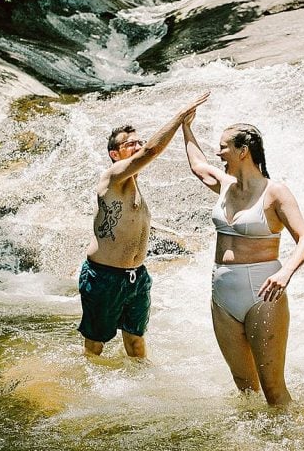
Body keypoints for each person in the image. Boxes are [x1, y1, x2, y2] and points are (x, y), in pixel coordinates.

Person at [181, 117, 304, 407]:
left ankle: (291, 435)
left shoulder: (275, 192)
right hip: (222, 294)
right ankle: (253, 435)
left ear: (243, 151)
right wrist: (185, 125)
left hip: (263, 292)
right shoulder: (225, 185)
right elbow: (198, 166)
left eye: (223, 147)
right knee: (244, 388)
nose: (218, 153)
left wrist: (286, 273)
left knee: (273, 389)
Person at [77, 92, 210, 358]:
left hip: (136, 277)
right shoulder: (112, 176)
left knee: (136, 341)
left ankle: (140, 380)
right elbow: (151, 151)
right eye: (131, 144)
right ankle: (87, 381)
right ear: (115, 154)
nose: (138, 146)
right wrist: (180, 117)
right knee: (96, 345)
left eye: (139, 141)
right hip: (104, 277)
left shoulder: (135, 185)